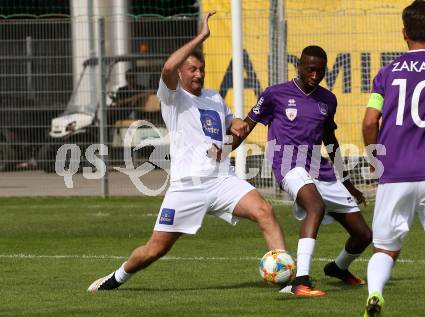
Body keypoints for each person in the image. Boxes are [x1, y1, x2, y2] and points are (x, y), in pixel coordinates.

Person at [87, 11, 287, 292]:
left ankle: (288, 278)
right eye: (192, 69)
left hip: (221, 180)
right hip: (188, 186)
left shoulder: (214, 98)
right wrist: (201, 37)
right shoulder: (172, 96)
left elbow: (231, 134)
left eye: (201, 69)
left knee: (265, 211)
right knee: (155, 250)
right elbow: (167, 68)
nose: (198, 73)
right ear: (182, 72)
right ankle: (117, 277)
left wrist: (238, 128)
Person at [229, 45, 372, 297]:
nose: (315, 75)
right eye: (310, 69)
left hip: (321, 170)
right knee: (315, 207)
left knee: (363, 235)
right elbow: (246, 127)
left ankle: (338, 268)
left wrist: (347, 182)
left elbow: (331, 142)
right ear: (299, 66)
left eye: (320, 70)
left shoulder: (328, 100)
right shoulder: (275, 94)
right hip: (288, 167)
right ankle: (301, 282)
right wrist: (220, 152)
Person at [362, 1, 425, 316]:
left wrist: (374, 159)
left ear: (404, 33)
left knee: (385, 248)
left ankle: (376, 294)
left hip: (395, 172)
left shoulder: (387, 73)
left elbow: (369, 122)